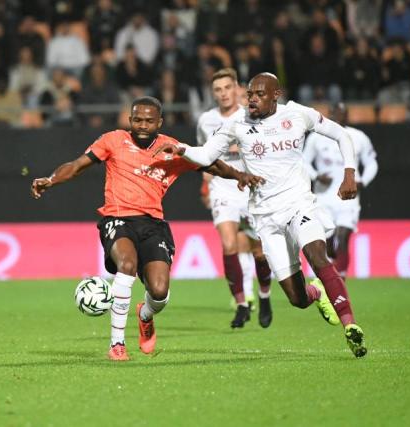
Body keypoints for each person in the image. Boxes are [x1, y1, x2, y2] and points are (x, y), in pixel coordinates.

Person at [31, 96, 263, 361]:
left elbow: (211, 163)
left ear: (159, 122)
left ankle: (145, 315)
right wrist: (50, 179)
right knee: (126, 265)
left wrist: (239, 176)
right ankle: (116, 344)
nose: (142, 125)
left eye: (149, 121)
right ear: (130, 120)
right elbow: (77, 166)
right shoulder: (113, 140)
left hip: (153, 224)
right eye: (137, 120)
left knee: (160, 291)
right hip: (117, 218)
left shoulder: (172, 148)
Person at [155, 73, 368, 358]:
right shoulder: (236, 124)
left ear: (275, 95)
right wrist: (181, 149)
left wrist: (349, 173)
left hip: (299, 205)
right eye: (250, 94)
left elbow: (341, 134)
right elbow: (206, 157)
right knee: (297, 298)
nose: (252, 99)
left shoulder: (298, 114)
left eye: (259, 94)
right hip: (266, 218)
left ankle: (350, 325)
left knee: (318, 257)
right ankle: (317, 294)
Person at [196, 68, 274, 328]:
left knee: (259, 251)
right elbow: (206, 158)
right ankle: (241, 304)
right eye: (218, 90)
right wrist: (206, 185)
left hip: (251, 188)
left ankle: (264, 295)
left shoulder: (251, 115)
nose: (223, 94)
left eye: (227, 87)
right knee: (229, 245)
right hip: (223, 188)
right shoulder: (206, 121)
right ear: (213, 93)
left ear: (237, 88)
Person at [303, 103, 378, 281]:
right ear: (330, 114)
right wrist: (316, 176)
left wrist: (363, 181)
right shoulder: (317, 137)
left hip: (349, 198)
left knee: (343, 237)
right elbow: (303, 160)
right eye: (336, 113)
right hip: (323, 197)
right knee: (328, 244)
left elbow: (372, 162)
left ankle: (341, 281)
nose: (340, 116)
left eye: (344, 113)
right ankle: (331, 274)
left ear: (347, 115)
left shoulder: (359, 137)